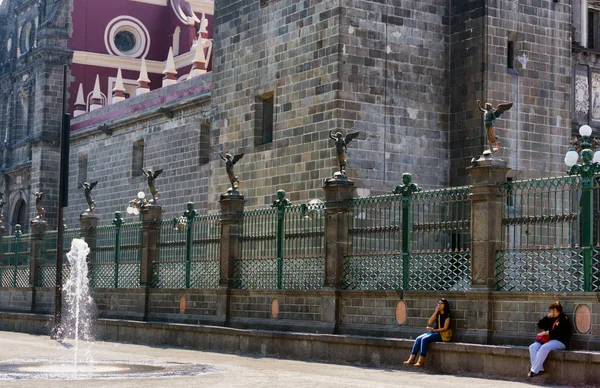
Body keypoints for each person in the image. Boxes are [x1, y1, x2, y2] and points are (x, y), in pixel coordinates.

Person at [528, 301, 572, 378]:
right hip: (547, 340)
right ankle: (540, 369)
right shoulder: (550, 318)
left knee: (544, 347)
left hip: (560, 341)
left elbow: (558, 331)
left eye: (553, 310)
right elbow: (540, 325)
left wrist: (545, 333)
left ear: (558, 310)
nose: (552, 312)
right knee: (532, 347)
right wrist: (547, 317)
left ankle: (533, 370)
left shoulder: (564, 318)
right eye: (551, 310)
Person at [403, 298, 452, 367]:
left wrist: (433, 330)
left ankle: (421, 360)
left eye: (441, 303)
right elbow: (429, 322)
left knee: (424, 339)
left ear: (445, 305)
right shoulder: (437, 314)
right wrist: (435, 312)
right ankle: (411, 359)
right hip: (435, 332)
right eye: (438, 303)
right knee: (418, 338)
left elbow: (445, 328)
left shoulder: (448, 315)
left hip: (443, 334)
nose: (439, 305)